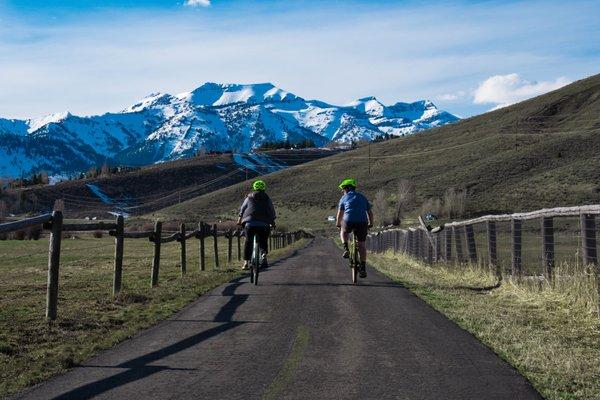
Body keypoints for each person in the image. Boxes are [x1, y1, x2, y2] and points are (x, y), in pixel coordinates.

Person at [336, 178, 373, 278]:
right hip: (362, 222)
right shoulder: (362, 197)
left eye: (343, 189)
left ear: (347, 189)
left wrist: (338, 224)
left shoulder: (344, 198)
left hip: (349, 221)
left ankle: (346, 249)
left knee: (343, 231)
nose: (343, 191)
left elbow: (340, 214)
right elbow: (370, 212)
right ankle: (363, 268)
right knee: (361, 244)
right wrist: (371, 223)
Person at [237, 179, 276, 271]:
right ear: (264, 188)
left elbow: (242, 210)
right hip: (264, 224)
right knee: (263, 241)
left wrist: (239, 221)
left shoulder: (249, 197)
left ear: (254, 188)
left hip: (250, 223)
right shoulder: (267, 198)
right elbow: (272, 212)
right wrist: (272, 222)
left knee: (248, 242)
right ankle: (263, 255)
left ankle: (246, 263)